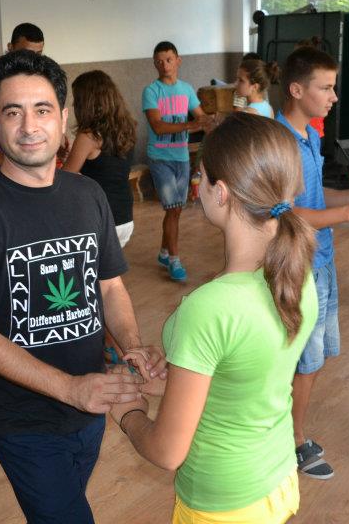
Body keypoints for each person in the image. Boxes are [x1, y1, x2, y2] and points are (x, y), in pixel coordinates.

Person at [0, 50, 164, 524]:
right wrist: (70, 389)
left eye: (42, 110)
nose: (29, 126)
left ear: (63, 118)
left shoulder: (88, 196)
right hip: (24, 420)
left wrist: (132, 345)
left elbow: (111, 288)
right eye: (12, 112)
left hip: (91, 403)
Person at [109, 113, 317, 523]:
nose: (197, 185)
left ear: (220, 193)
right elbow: (248, 374)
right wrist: (179, 375)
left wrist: (128, 413)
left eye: (200, 176)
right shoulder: (297, 276)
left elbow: (168, 452)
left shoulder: (210, 307)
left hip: (223, 503)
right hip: (276, 479)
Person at [277, 46, 349, 480]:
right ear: (296, 90)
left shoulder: (309, 135)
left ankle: (288, 434)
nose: (334, 96)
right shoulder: (279, 141)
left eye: (333, 87)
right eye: (325, 88)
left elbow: (315, 197)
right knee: (302, 362)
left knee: (312, 360)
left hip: (321, 260)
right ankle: (291, 443)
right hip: (297, 266)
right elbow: (286, 214)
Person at [143, 41, 214, 282]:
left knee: (176, 210)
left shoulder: (186, 89)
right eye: (159, 61)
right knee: (173, 208)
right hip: (160, 158)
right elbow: (157, 126)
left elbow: (201, 117)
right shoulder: (151, 91)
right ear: (155, 64)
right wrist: (190, 125)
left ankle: (164, 252)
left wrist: (213, 123)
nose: (165, 65)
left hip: (181, 158)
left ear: (178, 61)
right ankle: (174, 260)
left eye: (169, 60)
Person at [63, 70, 137, 248]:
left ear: (87, 102)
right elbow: (107, 167)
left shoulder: (88, 136)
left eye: (77, 99)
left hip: (102, 219)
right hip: (125, 218)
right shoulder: (128, 128)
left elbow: (65, 177)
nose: (73, 104)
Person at [0, 23, 45, 177]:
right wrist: (17, 166)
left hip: (32, 174)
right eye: (26, 53)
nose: (32, 60)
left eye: (38, 54)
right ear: (11, 48)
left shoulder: (41, 84)